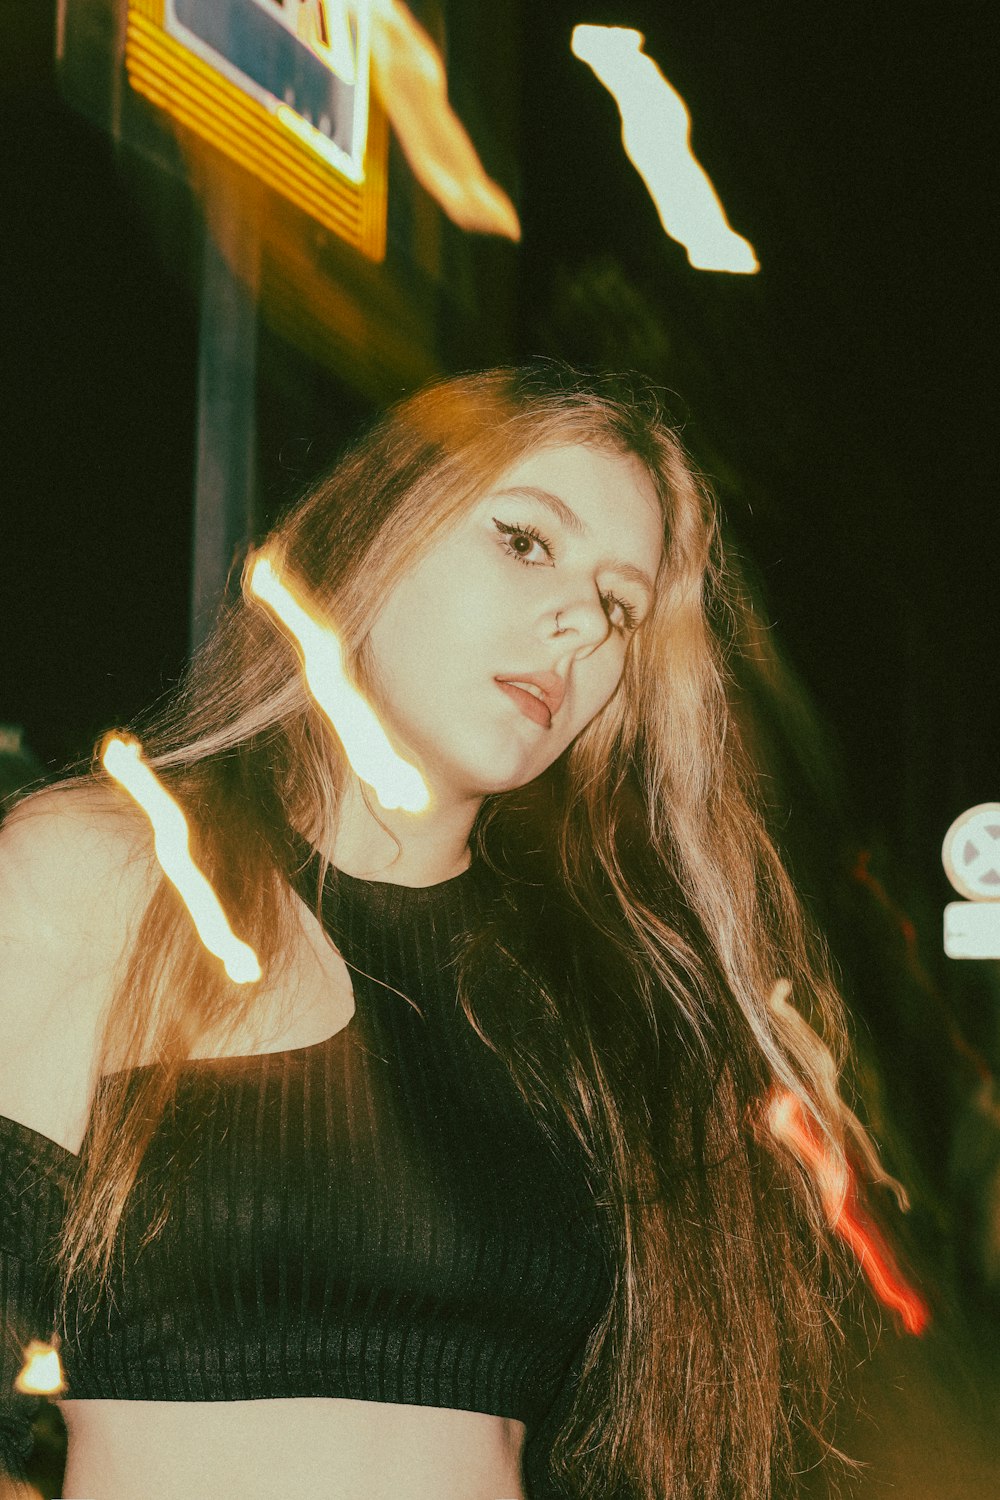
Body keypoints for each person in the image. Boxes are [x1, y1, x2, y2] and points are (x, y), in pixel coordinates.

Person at [1, 363, 873, 1500]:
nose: (580, 624)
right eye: (524, 541)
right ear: (371, 538)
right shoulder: (104, 876)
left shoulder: (592, 1009)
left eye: (619, 605)